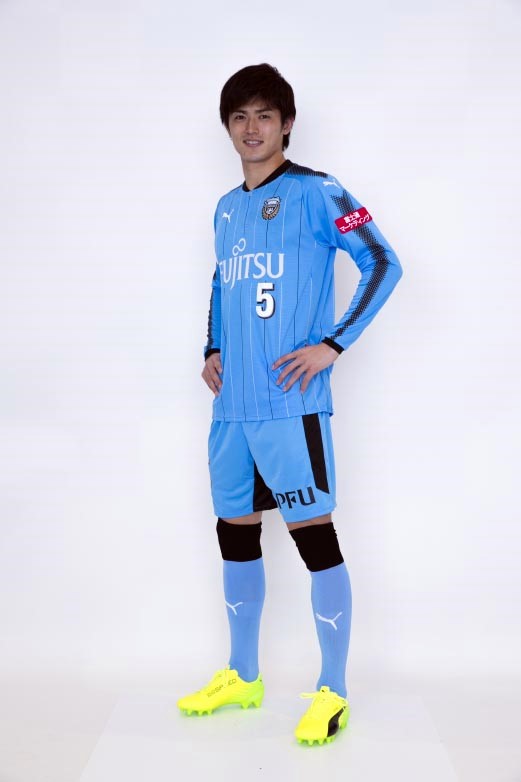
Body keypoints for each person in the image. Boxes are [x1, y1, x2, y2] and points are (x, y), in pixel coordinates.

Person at [177, 63, 402, 746]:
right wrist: (213, 348)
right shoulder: (225, 207)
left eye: (264, 116)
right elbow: (222, 283)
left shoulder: (318, 191)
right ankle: (243, 675)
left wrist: (333, 344)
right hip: (232, 410)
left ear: (287, 124)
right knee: (235, 533)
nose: (252, 128)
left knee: (314, 537)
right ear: (228, 127)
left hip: (290, 406)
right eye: (239, 117)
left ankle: (332, 690)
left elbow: (382, 261)